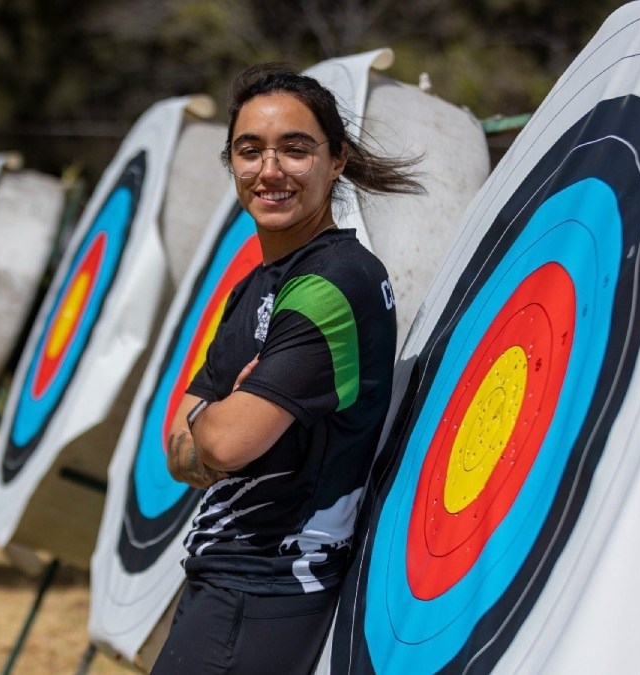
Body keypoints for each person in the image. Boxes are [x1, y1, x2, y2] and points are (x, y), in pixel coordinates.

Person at [154, 62, 425, 674]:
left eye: (295, 149)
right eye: (250, 151)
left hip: (267, 588)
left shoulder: (335, 281)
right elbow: (177, 448)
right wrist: (214, 426)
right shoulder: (255, 284)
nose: (269, 171)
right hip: (226, 576)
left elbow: (224, 440)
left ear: (339, 161)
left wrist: (216, 422)